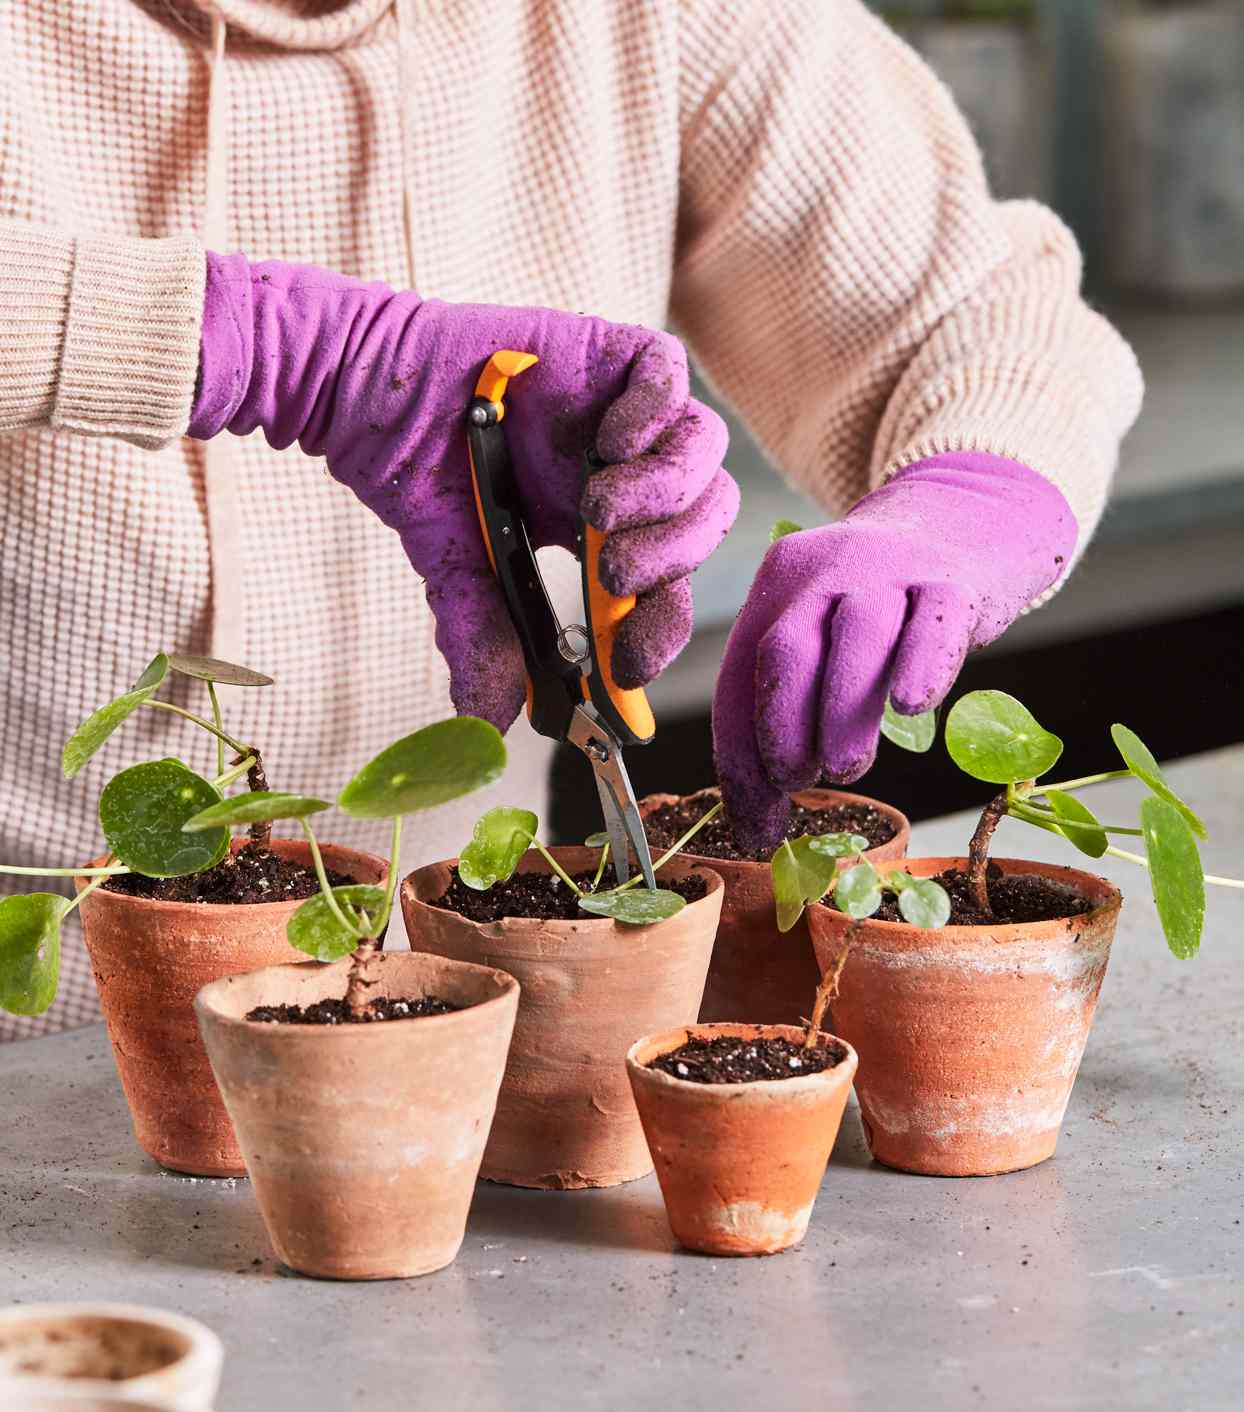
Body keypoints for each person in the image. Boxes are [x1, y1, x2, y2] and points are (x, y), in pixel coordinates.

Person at [0, 0, 1141, 1040]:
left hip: (456, 1024)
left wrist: (961, 504)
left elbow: (984, 315)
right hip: (35, 1030)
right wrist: (260, 345)